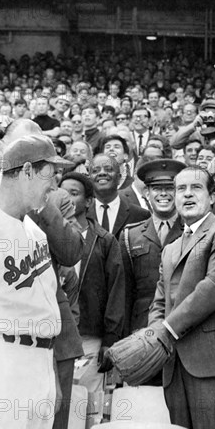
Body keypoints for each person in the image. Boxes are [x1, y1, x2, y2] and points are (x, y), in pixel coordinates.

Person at [148, 166, 215, 429]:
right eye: (181, 189)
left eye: (196, 188)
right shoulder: (169, 248)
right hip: (174, 364)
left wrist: (166, 330)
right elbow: (159, 300)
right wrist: (154, 335)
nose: (187, 194)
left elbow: (214, 287)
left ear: (212, 197)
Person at [0, 135, 70, 429]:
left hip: (41, 360)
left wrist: (49, 373)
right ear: (26, 171)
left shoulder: (36, 231)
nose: (53, 186)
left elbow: (47, 307)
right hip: (4, 358)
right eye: (48, 175)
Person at [59, 172, 125, 392]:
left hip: (89, 336)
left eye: (74, 193)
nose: (66, 197)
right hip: (54, 333)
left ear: (88, 202)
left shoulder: (104, 240)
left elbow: (116, 291)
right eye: (62, 192)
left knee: (87, 406)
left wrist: (110, 339)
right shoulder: (44, 235)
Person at [120, 159, 185, 338]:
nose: (163, 194)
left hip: (183, 325)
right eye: (157, 189)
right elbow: (125, 293)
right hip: (142, 329)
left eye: (170, 188)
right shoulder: (130, 235)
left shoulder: (192, 231)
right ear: (146, 193)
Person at [87, 153, 150, 239]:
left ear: (119, 178)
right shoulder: (82, 214)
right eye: (95, 171)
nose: (102, 173)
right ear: (90, 179)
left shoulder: (140, 215)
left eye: (108, 169)